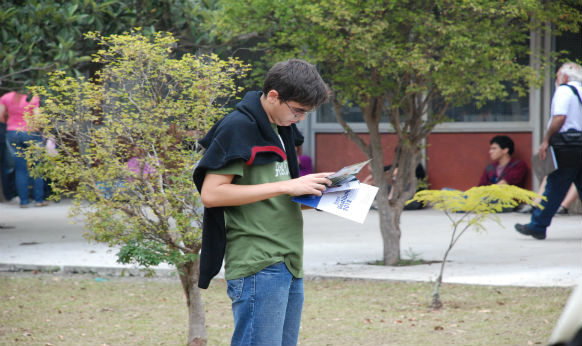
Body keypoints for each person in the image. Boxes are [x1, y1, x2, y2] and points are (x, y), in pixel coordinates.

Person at [193, 59, 331, 346]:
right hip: (259, 262)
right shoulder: (238, 127)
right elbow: (212, 194)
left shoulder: (282, 129)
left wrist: (322, 194)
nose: (301, 118)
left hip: (289, 259)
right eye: (298, 110)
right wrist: (287, 185)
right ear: (273, 96)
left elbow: (277, 195)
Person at [515, 62, 582, 240]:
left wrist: (546, 140)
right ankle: (537, 224)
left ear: (565, 77)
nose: (556, 79)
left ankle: (537, 225)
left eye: (558, 75)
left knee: (555, 186)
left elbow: (560, 118)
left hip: (567, 146)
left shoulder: (564, 90)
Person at [0, 91, 48, 208]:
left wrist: (10, 123)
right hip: (30, 132)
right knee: (37, 166)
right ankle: (38, 200)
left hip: (12, 133)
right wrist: (37, 130)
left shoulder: (6, 96)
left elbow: (0, 115)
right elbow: (37, 117)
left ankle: (24, 201)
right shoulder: (32, 97)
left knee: (20, 168)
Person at [363, 162, 427, 210]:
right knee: (376, 184)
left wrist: (390, 199)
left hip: (414, 200)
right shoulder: (400, 163)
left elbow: (396, 177)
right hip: (400, 194)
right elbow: (387, 169)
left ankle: (388, 204)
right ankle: (360, 203)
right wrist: (368, 181)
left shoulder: (415, 165)